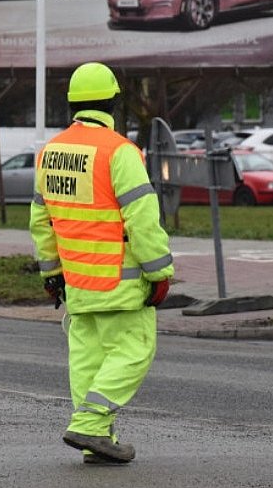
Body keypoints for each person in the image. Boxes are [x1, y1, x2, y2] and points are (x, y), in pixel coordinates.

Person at [29, 61, 174, 465]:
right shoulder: (119, 151)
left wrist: (51, 273)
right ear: (113, 103)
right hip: (119, 282)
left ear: (72, 104)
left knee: (87, 361)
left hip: (77, 283)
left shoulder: (50, 153)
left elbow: (41, 221)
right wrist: (159, 272)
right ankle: (92, 425)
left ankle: (97, 439)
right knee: (135, 350)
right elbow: (142, 219)